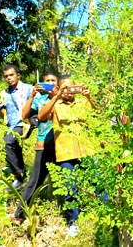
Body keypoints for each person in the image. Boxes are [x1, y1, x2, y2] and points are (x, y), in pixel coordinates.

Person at [38, 75, 99, 237]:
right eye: (65, 88)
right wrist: (57, 96)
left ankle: (106, 216)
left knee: (98, 184)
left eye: (72, 87)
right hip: (65, 153)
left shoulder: (82, 102)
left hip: (87, 150)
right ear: (58, 88)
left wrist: (88, 96)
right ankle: (73, 223)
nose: (69, 91)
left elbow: (98, 113)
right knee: (69, 189)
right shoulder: (55, 104)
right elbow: (41, 117)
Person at [11, 73, 59, 225]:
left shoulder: (63, 98)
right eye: (47, 81)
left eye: (53, 81)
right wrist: (32, 95)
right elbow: (24, 115)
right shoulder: (39, 98)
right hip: (43, 145)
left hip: (63, 146)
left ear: (58, 84)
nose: (50, 83)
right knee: (35, 181)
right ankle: (19, 213)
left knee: (73, 178)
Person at [0, 65, 34, 189]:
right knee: (14, 148)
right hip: (11, 126)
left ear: (18, 75)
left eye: (11, 75)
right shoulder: (5, 94)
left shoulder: (28, 89)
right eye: (6, 76)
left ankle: (18, 176)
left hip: (24, 123)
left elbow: (38, 101)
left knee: (9, 141)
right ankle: (22, 174)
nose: (9, 78)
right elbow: (3, 116)